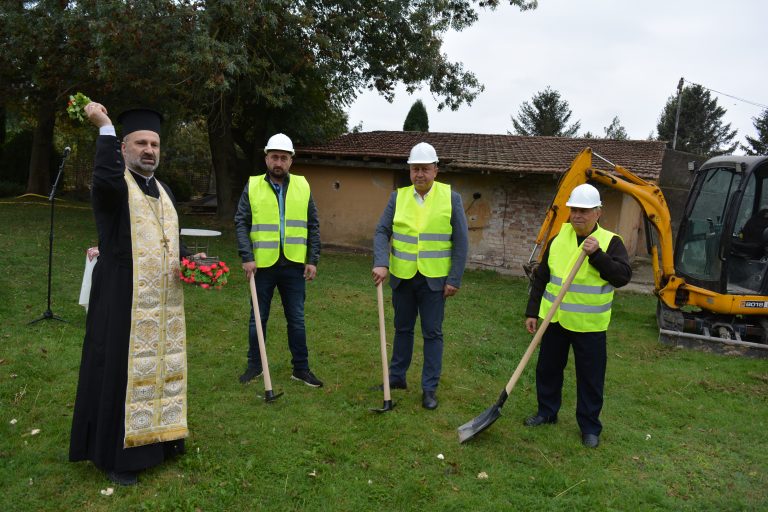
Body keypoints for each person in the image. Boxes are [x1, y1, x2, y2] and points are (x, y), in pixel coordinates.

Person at [70, 102, 203, 486]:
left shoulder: (165, 190)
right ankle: (117, 458)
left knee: (163, 368)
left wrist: (191, 263)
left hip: (163, 302)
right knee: (120, 371)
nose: (149, 151)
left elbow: (168, 240)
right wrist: (105, 127)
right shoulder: (113, 185)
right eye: (141, 143)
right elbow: (107, 175)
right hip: (119, 296)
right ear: (124, 148)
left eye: (155, 145)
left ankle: (162, 440)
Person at [523, 183, 632, 448]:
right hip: (555, 319)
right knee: (548, 369)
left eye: (584, 211)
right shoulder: (559, 238)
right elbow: (541, 278)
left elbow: (622, 277)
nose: (577, 216)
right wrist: (532, 311)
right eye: (574, 210)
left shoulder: (610, 242)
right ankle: (547, 412)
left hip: (589, 325)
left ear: (598, 213)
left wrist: (597, 255)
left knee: (590, 378)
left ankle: (590, 427)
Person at [372, 142, 469, 410]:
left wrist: (454, 279)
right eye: (415, 169)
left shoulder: (452, 198)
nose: (419, 174)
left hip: (435, 281)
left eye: (425, 169)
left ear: (435, 170)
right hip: (403, 277)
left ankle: (429, 388)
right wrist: (382, 262)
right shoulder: (398, 197)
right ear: (409, 171)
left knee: (432, 333)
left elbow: (461, 242)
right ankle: (397, 377)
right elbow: (381, 231)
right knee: (402, 328)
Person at [234, 133, 323, 388]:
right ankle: (255, 365)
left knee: (296, 318)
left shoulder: (303, 186)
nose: (279, 162)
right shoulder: (252, 186)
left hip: (294, 266)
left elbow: (313, 225)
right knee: (257, 318)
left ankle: (301, 369)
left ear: (291, 161)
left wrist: (312, 259)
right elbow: (241, 222)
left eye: (284, 158)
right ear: (266, 158)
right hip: (261, 266)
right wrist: (247, 257)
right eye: (274, 157)